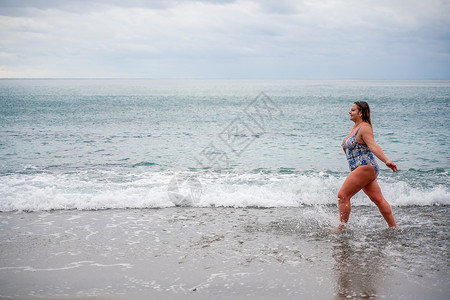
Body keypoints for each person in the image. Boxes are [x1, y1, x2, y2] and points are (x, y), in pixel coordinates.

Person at [333, 101, 398, 233]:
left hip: (366, 166)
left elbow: (373, 146)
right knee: (378, 200)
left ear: (361, 113)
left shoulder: (365, 127)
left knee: (342, 195)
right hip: (359, 168)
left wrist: (386, 161)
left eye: (353, 110)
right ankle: (394, 227)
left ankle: (342, 228)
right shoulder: (355, 127)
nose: (349, 112)